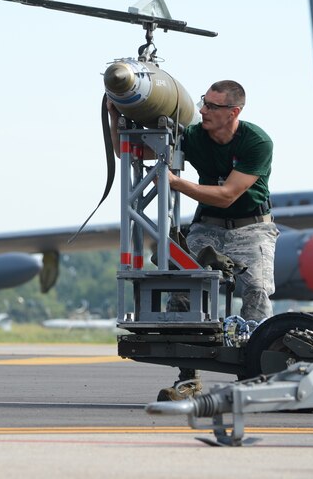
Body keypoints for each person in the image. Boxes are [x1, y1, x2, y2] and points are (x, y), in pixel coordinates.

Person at [108, 80, 278, 401]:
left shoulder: (256, 142)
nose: (203, 110)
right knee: (182, 290)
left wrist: (176, 182)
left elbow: (228, 195)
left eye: (213, 106)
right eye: (204, 102)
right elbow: (128, 151)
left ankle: (257, 374)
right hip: (207, 224)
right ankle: (187, 376)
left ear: (234, 112)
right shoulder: (193, 136)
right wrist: (115, 115)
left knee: (256, 290)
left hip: (251, 226)